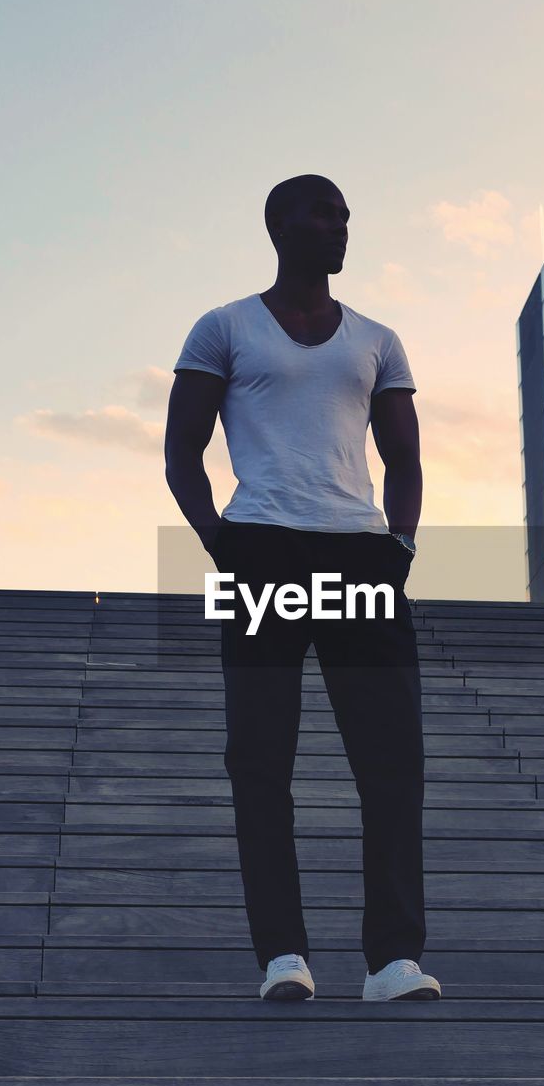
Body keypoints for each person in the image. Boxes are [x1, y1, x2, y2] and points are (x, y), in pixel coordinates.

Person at [164, 174, 440, 1004]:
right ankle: (281, 954)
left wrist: (400, 546)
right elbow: (182, 454)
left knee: (391, 763)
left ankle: (392, 960)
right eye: (324, 213)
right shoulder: (223, 328)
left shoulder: (378, 339)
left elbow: (405, 458)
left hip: (360, 558)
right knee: (259, 759)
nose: (340, 227)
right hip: (259, 553)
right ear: (279, 225)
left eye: (346, 216)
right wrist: (222, 544)